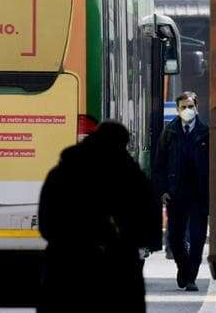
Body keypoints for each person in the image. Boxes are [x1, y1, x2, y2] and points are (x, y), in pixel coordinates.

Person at [38, 121, 160, 312]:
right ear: (122, 144)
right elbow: (148, 221)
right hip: (118, 271)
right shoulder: (130, 177)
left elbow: (47, 223)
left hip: (66, 268)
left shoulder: (62, 173)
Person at [153, 91, 209, 292]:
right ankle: (183, 267)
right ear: (177, 110)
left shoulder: (206, 132)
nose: (187, 110)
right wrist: (162, 191)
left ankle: (191, 277)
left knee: (197, 237)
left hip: (199, 194)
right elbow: (159, 164)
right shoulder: (169, 132)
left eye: (190, 106)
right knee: (175, 238)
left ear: (197, 107)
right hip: (176, 193)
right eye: (183, 107)